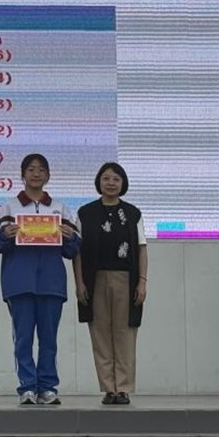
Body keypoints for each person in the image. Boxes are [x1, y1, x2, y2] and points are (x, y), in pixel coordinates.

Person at [0, 153, 81, 405]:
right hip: (19, 283)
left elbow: (73, 250)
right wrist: (5, 235)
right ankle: (27, 387)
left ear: (48, 175)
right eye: (31, 169)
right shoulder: (9, 207)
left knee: (49, 340)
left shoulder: (60, 208)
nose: (36, 174)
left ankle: (48, 388)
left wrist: (70, 237)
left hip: (51, 283)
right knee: (23, 339)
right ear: (23, 175)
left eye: (41, 170)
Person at [73, 162, 148, 405]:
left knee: (125, 334)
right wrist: (79, 283)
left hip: (126, 279)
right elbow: (77, 252)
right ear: (99, 182)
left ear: (123, 183)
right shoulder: (85, 213)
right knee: (101, 334)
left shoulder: (133, 213)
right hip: (95, 280)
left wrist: (142, 282)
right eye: (106, 178)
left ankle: (123, 388)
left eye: (116, 179)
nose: (111, 183)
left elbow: (141, 249)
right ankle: (108, 389)